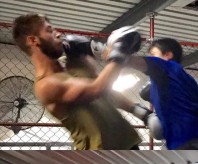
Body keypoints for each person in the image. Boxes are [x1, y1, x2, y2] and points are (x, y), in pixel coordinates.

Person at [12, 14, 147, 150]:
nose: (58, 34)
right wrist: (119, 51)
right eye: (49, 31)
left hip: (128, 143)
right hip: (99, 156)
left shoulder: (73, 64)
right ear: (33, 40)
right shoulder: (45, 86)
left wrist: (139, 111)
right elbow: (97, 88)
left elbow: (105, 91)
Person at [105, 37, 198, 150]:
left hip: (191, 141)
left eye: (153, 54)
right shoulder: (177, 80)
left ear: (167, 55)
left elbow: (138, 62)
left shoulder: (170, 67)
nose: (151, 58)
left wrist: (113, 52)